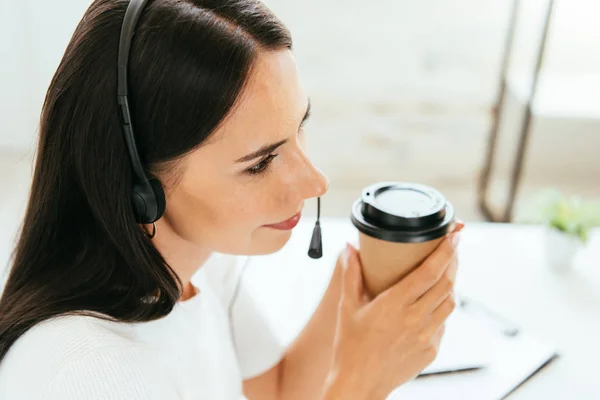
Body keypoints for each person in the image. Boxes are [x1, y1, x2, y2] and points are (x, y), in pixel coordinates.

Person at [0, 0, 462, 399]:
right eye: (260, 163)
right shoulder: (88, 378)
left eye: (299, 125)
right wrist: (362, 385)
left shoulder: (191, 262)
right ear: (138, 184)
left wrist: (368, 277)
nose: (315, 182)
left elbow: (282, 389)